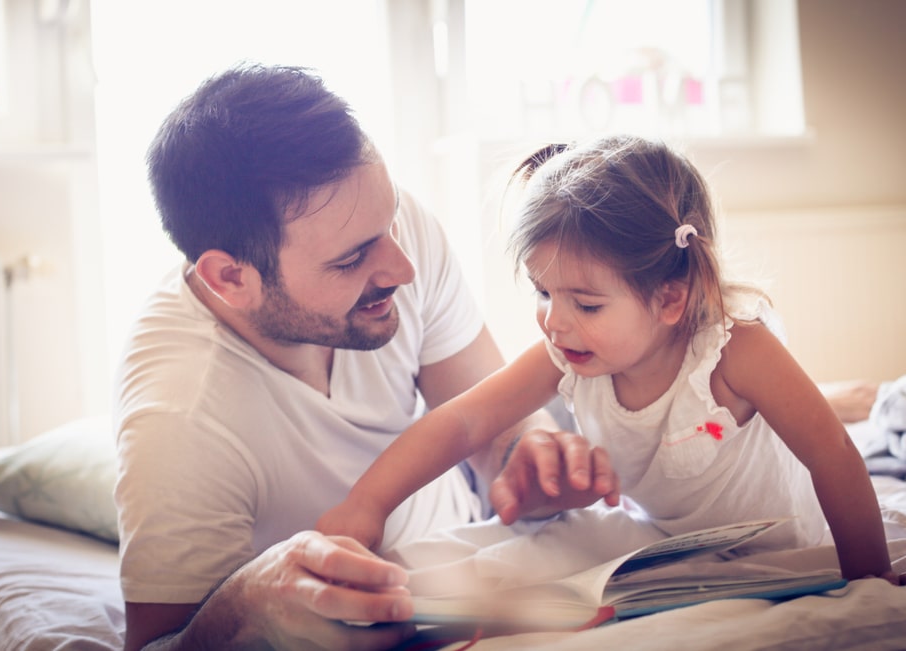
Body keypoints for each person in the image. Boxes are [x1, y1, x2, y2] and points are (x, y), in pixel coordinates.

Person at [113, 64, 619, 651]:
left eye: (391, 220)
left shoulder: (390, 234)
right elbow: (158, 644)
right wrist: (245, 603)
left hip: (469, 552)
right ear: (230, 278)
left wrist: (524, 454)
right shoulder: (180, 419)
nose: (401, 269)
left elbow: (484, 414)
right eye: (351, 260)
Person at [318, 134, 906, 585]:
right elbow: (464, 420)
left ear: (669, 299)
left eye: (586, 303)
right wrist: (365, 504)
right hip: (661, 537)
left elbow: (832, 452)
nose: (555, 320)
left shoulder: (735, 350)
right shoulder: (564, 349)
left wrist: (872, 580)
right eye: (543, 292)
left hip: (774, 546)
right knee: (482, 561)